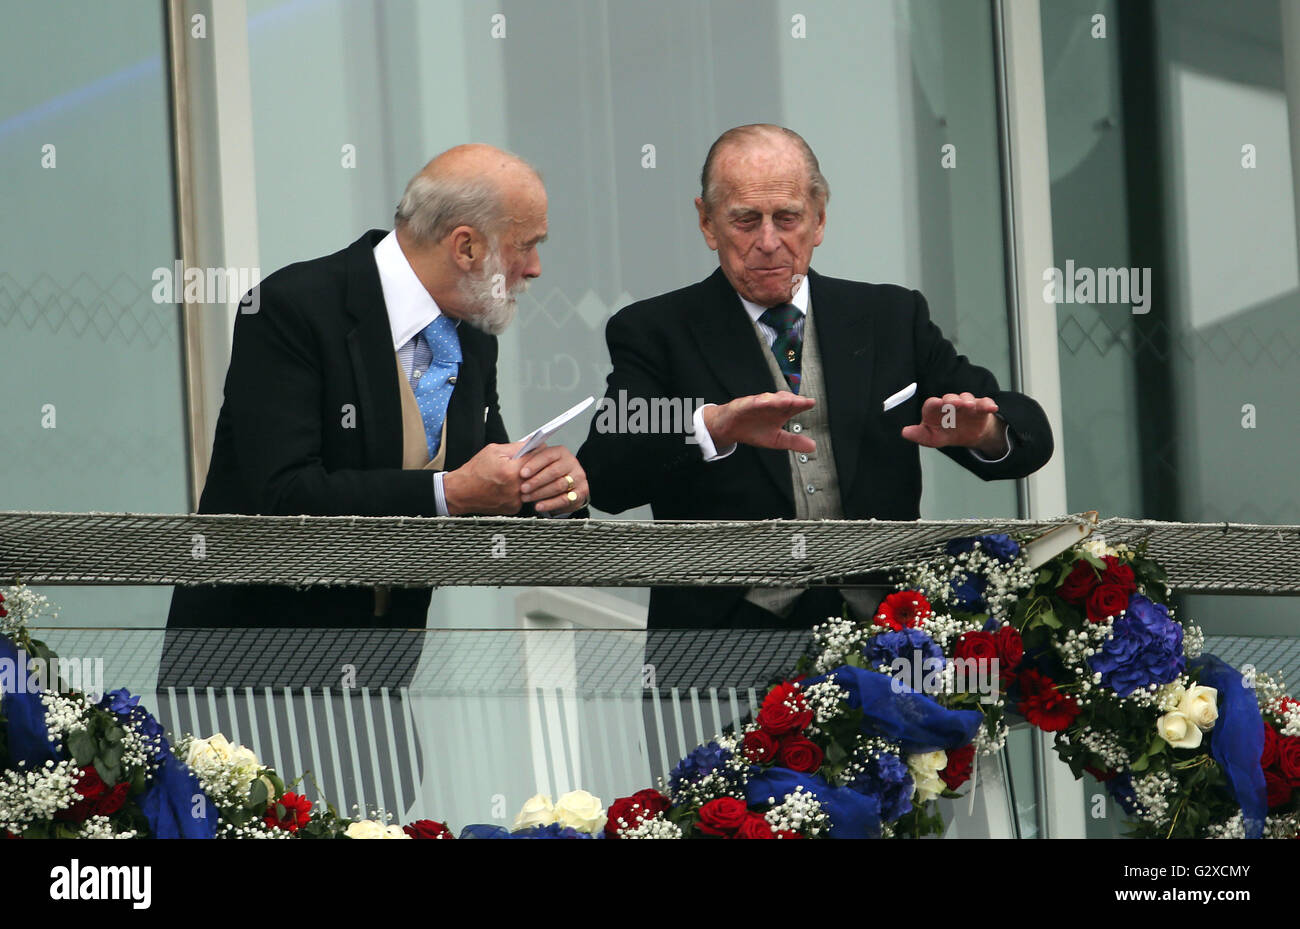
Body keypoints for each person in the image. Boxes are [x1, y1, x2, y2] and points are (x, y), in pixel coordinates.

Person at [577, 124, 1053, 632]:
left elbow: (1030, 437)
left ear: (819, 219)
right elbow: (604, 475)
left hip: (886, 641)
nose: (768, 242)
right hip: (724, 648)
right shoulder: (655, 330)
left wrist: (983, 431)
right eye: (744, 221)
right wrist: (708, 429)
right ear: (707, 222)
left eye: (787, 218)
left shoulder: (889, 316)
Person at [165, 143, 589, 646]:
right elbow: (283, 493)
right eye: (526, 245)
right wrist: (446, 493)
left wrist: (552, 490)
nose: (535, 267)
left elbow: (484, 485)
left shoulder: (472, 338)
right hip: (247, 663)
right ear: (466, 247)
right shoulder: (291, 307)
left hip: (384, 670)